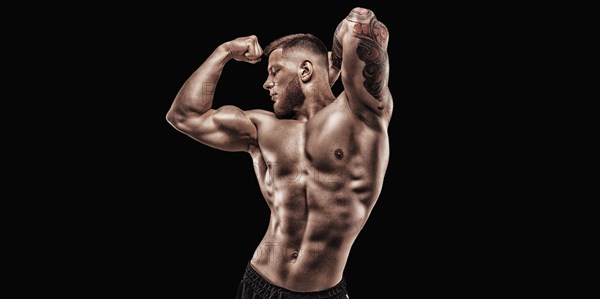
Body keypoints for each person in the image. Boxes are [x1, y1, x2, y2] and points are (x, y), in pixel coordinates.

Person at [166, 6, 392, 299]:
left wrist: (334, 62)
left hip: (322, 293)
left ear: (306, 70)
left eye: (274, 71)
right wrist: (224, 51)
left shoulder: (361, 116)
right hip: (258, 282)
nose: (266, 83)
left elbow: (359, 21)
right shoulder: (263, 129)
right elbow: (184, 116)